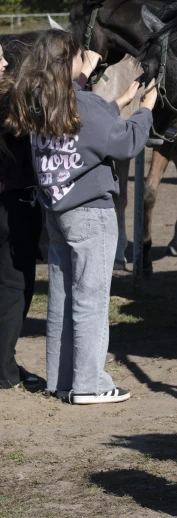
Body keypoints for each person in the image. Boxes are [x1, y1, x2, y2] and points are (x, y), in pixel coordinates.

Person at [6, 29, 157, 404]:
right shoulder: (84, 105)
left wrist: (120, 99)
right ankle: (90, 383)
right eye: (79, 57)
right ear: (68, 63)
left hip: (57, 214)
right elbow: (126, 142)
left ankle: (62, 379)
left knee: (61, 295)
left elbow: (89, 117)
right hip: (91, 214)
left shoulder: (42, 101)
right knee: (91, 298)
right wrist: (145, 109)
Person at [0, 42, 45, 390]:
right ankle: (4, 370)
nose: (3, 61)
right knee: (15, 286)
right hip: (14, 203)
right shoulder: (13, 102)